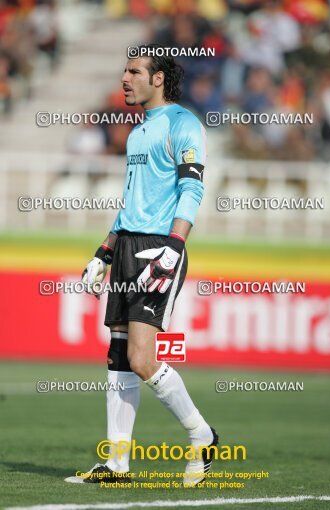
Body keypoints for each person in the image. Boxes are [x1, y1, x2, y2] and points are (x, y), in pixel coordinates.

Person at [66, 45, 218, 488]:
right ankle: (116, 464)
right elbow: (130, 203)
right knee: (117, 354)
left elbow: (192, 189)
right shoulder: (136, 133)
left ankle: (201, 436)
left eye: (134, 71)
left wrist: (173, 246)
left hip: (158, 248)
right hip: (128, 247)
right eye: (124, 71)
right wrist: (104, 251)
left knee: (140, 357)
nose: (125, 79)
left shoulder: (183, 124)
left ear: (158, 79)